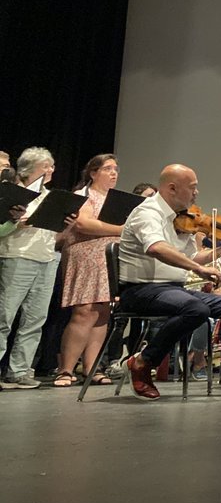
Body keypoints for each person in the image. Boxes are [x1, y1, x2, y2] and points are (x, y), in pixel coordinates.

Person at [117, 165, 221, 400]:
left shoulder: (180, 218)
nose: (197, 193)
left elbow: (194, 256)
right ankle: (143, 361)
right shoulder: (147, 213)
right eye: (193, 187)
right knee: (196, 308)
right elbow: (156, 248)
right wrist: (197, 268)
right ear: (172, 188)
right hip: (141, 290)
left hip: (173, 290)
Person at [55, 154, 124, 387]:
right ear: (94, 173)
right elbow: (84, 224)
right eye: (108, 168)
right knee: (84, 311)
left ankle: (91, 368)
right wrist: (120, 229)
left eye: (116, 168)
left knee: (102, 312)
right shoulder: (83, 195)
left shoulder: (116, 200)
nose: (114, 173)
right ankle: (65, 369)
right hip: (85, 257)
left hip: (107, 258)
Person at [0, 148, 65, 390]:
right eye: (45, 166)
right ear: (28, 169)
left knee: (35, 319)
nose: (51, 170)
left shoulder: (50, 196)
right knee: (4, 316)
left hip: (46, 258)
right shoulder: (13, 192)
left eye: (52, 166)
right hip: (17, 255)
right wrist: (19, 222)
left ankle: (19, 370)